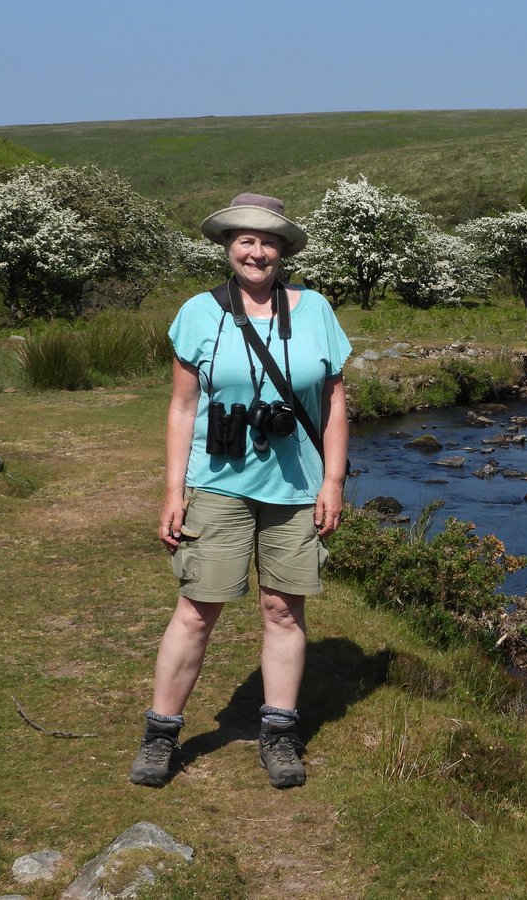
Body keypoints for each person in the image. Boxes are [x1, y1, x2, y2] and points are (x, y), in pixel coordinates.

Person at [130, 193, 351, 789]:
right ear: (228, 247)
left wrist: (332, 479)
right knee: (197, 609)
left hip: (296, 486)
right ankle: (160, 733)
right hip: (218, 483)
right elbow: (182, 406)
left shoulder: (315, 311)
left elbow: (332, 401)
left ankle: (278, 733)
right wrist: (173, 490)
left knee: (283, 609)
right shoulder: (198, 313)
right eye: (245, 239)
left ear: (283, 250)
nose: (257, 250)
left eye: (268, 240)